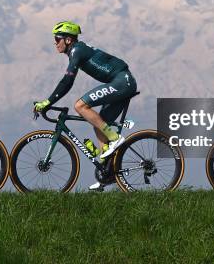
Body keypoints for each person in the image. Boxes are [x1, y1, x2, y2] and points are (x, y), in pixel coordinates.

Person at [34, 21, 137, 188]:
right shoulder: (77, 51)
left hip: (122, 82)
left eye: (57, 38)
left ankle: (115, 138)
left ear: (68, 40)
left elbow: (67, 81)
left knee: (80, 106)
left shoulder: (77, 50)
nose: (55, 42)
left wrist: (48, 101)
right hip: (120, 81)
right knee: (99, 122)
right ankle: (106, 174)